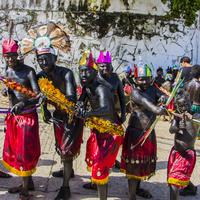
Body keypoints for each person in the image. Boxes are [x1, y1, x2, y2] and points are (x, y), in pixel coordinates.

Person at [36, 47, 83, 200]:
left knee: (66, 150)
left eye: (46, 59)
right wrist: (44, 110)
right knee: (61, 148)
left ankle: (65, 187)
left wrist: (51, 96)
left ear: (55, 59)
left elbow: (71, 98)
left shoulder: (66, 73)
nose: (43, 62)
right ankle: (67, 171)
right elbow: (39, 97)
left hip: (70, 116)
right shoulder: (40, 76)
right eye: (40, 59)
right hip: (57, 116)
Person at [77, 52, 123, 200]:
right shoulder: (88, 85)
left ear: (94, 72)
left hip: (109, 132)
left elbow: (106, 109)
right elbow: (81, 99)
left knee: (100, 165)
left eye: (87, 71)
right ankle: (94, 184)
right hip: (97, 128)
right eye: (81, 71)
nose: (83, 74)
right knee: (94, 158)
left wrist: (88, 114)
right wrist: (79, 106)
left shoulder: (101, 87)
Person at [1, 38, 41, 200]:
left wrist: (23, 103)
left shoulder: (29, 71)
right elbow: (13, 91)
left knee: (26, 152)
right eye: (6, 57)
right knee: (17, 151)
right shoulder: (8, 72)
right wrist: (7, 91)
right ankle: (27, 183)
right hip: (14, 117)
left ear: (18, 55)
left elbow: (38, 95)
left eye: (12, 56)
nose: (10, 59)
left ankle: (25, 190)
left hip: (27, 117)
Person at [120, 63, 166, 200]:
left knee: (142, 164)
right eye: (141, 79)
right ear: (135, 80)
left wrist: (163, 98)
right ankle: (132, 196)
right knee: (134, 164)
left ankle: (138, 189)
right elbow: (148, 104)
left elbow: (162, 95)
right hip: (136, 133)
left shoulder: (153, 88)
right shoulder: (135, 92)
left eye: (147, 78)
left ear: (151, 78)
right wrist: (158, 109)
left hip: (148, 132)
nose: (144, 81)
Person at [168, 90, 199, 200]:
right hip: (176, 152)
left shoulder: (196, 115)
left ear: (190, 103)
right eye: (181, 106)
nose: (184, 108)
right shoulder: (177, 116)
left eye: (186, 104)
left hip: (187, 154)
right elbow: (171, 130)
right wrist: (177, 127)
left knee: (174, 181)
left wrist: (193, 118)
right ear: (177, 106)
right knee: (177, 176)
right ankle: (191, 188)